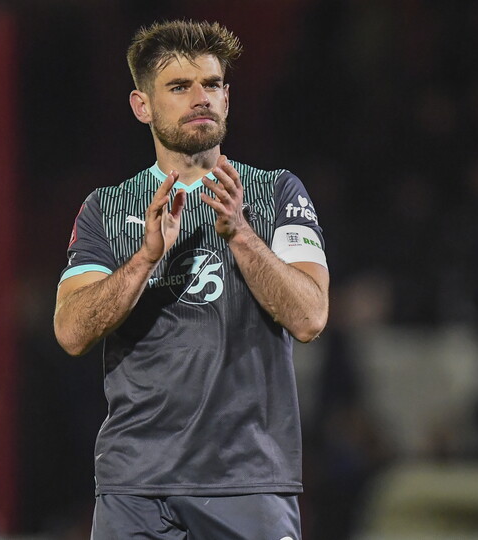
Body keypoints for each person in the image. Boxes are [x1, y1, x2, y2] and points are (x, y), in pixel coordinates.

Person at [54, 20, 329, 539]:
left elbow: (310, 316)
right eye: (180, 87)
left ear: (227, 98)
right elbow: (71, 331)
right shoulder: (105, 209)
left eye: (212, 84)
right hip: (133, 486)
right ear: (142, 106)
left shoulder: (276, 192)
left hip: (248, 480)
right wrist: (145, 259)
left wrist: (241, 235)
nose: (200, 98)